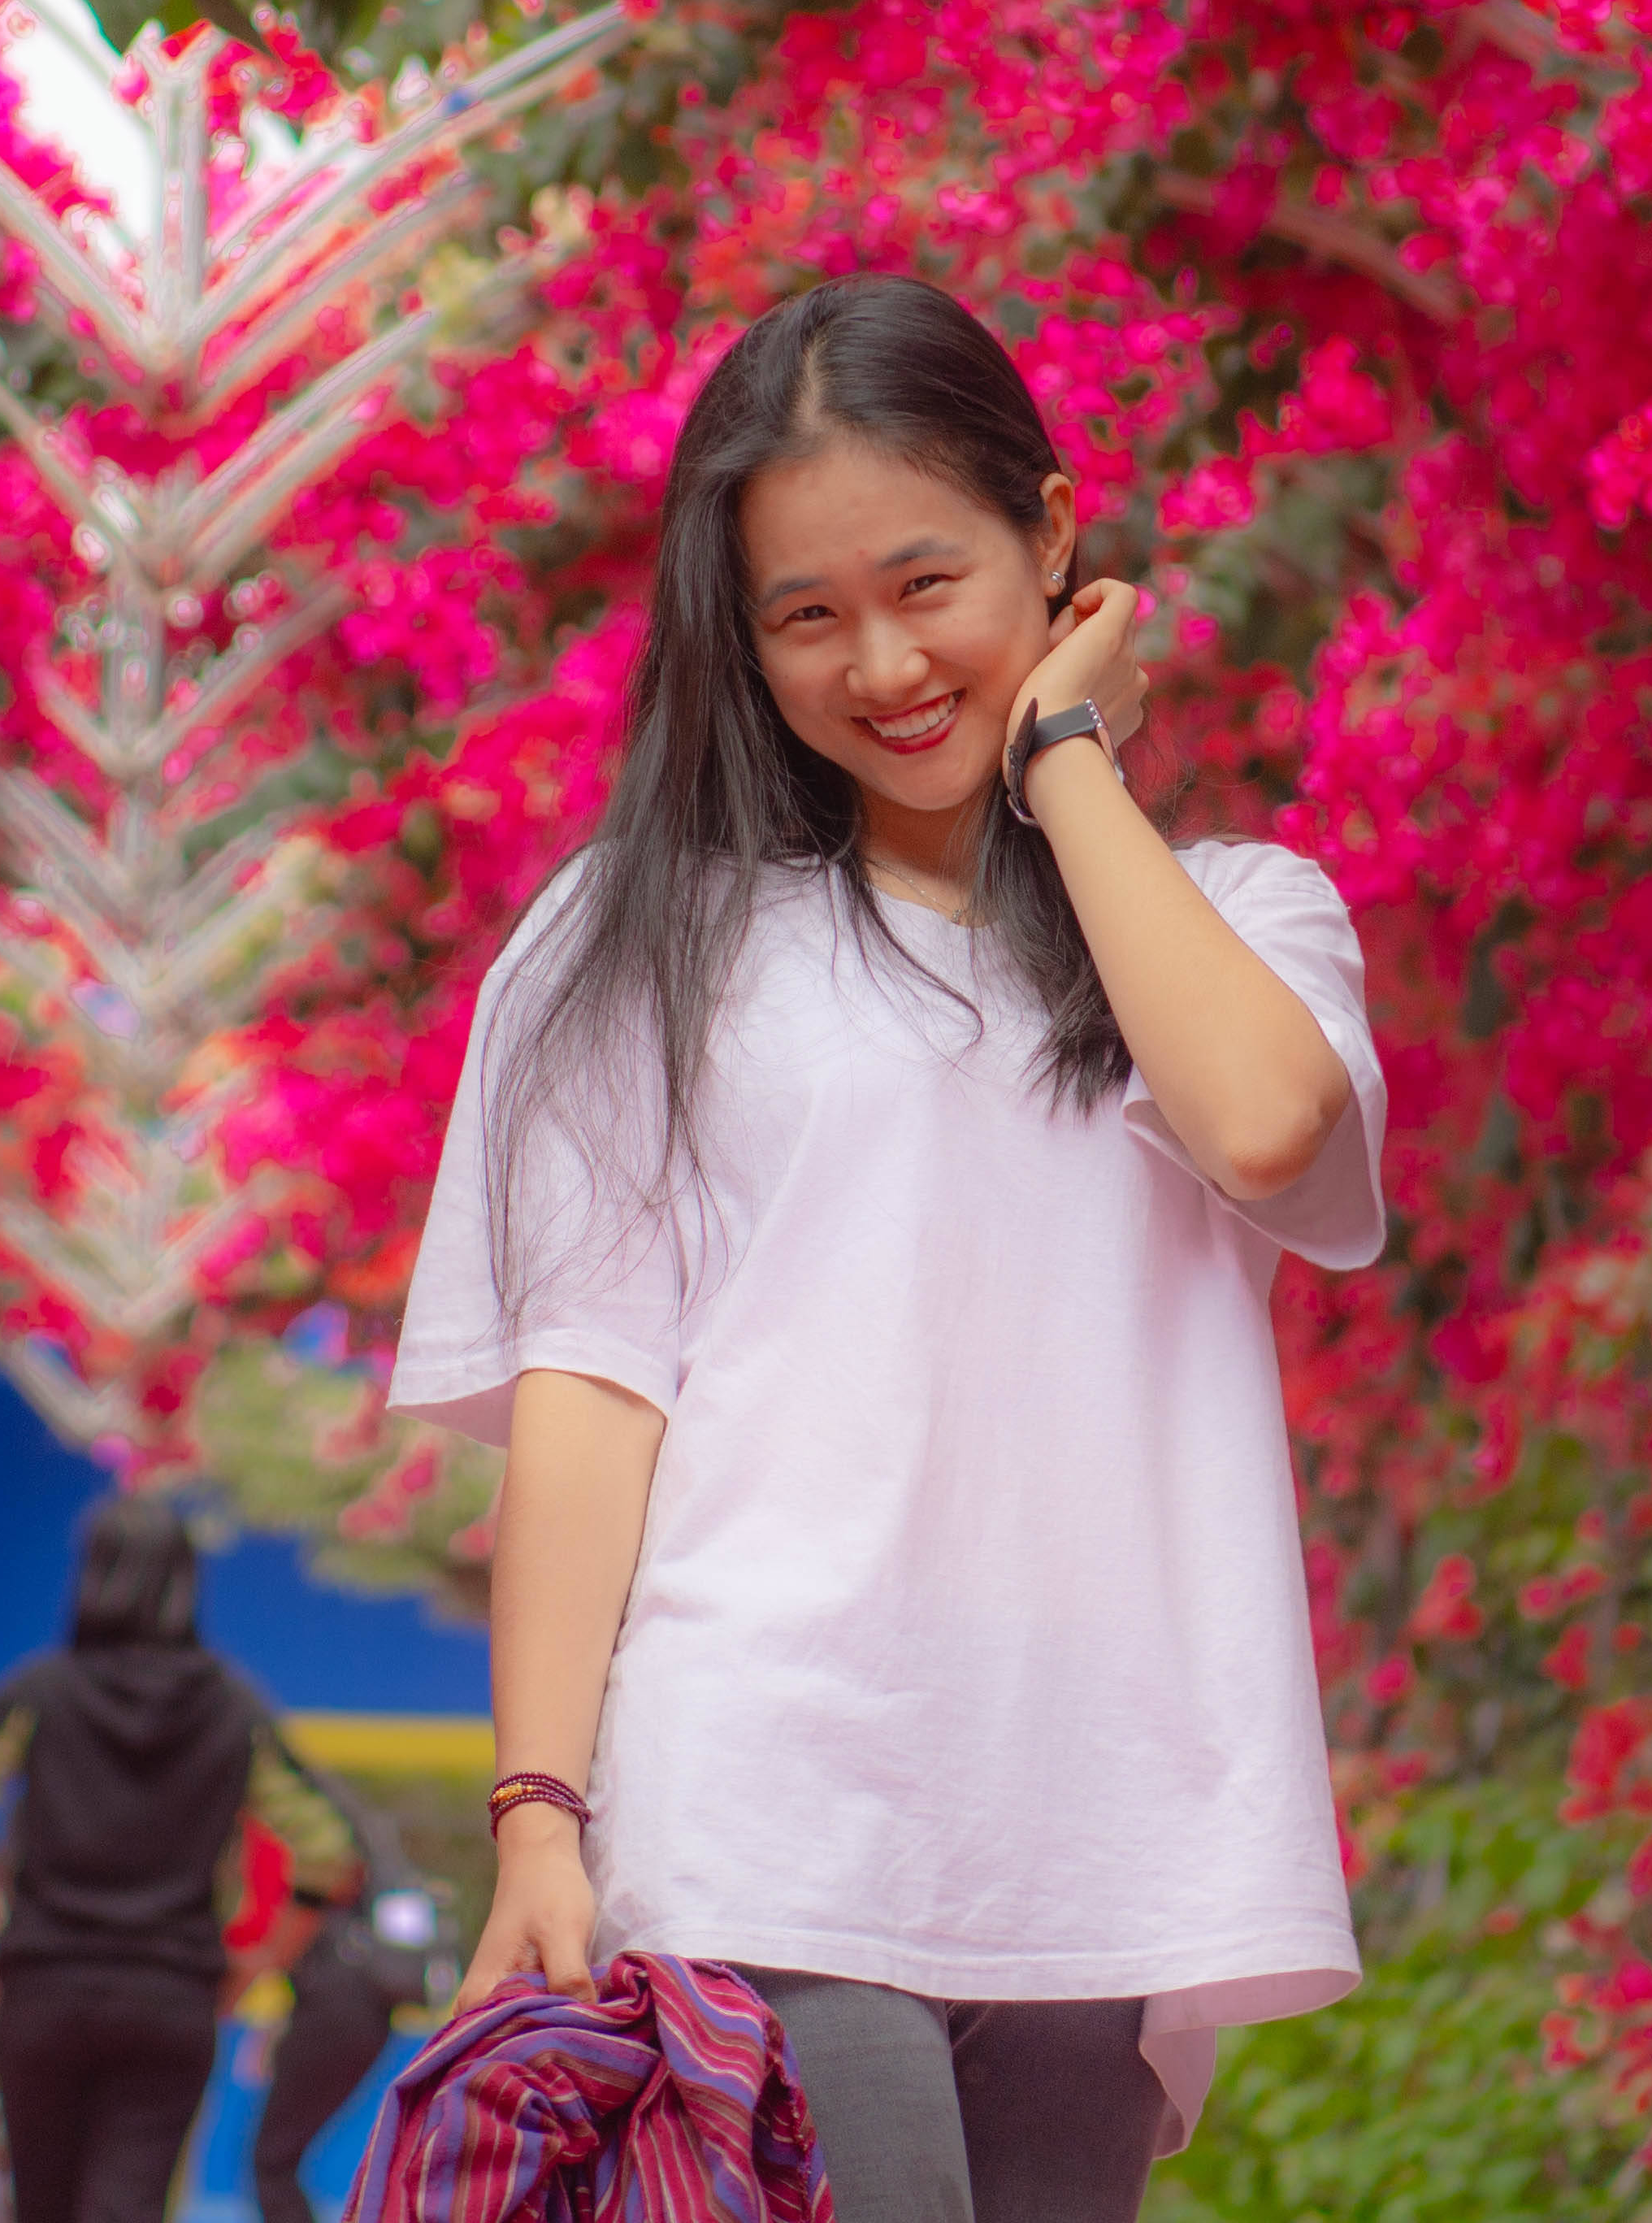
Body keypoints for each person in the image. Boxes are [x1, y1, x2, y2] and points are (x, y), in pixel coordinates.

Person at [391, 274, 1393, 2223]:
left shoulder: (1237, 916)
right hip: (764, 1800)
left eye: (927, 581)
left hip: (1091, 1841)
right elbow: (592, 1399)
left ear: (1054, 533)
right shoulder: (652, 942)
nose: (881, 663)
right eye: (806, 616)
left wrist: (1067, 756)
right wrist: (537, 1810)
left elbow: (1270, 1126)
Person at [0, 1493, 360, 2223]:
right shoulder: (231, 1705)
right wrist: (263, 1959)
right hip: (172, 1995)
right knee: (132, 2206)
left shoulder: (42, 1692)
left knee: (41, 2207)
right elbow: (327, 1846)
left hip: (44, 1991)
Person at [245, 1762, 446, 2223]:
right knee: (277, 2161)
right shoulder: (374, 1848)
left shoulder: (322, 1851)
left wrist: (254, 1970)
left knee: (273, 2162)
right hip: (364, 2010)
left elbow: (297, 1922)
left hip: (339, 2007)